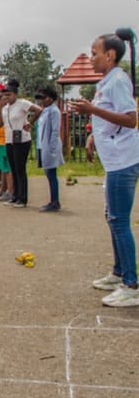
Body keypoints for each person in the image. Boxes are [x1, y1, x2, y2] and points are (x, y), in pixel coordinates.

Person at [69, 32, 139, 307]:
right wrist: (92, 136)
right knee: (112, 217)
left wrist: (92, 110)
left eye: (95, 53)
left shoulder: (118, 81)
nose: (91, 58)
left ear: (110, 55)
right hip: (114, 161)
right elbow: (109, 118)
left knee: (119, 220)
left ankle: (131, 285)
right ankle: (119, 273)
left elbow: (130, 119)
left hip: (123, 161)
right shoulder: (106, 82)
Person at [0, 78, 43, 208]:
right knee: (13, 169)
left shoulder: (22, 103)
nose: (7, 97)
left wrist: (30, 123)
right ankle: (15, 196)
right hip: (9, 140)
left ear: (15, 94)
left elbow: (38, 110)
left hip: (22, 140)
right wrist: (0, 107)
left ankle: (23, 198)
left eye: (9, 95)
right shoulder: (5, 108)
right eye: (5, 95)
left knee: (20, 169)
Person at [34, 87, 64, 212]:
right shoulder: (45, 110)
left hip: (50, 147)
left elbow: (55, 131)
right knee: (48, 174)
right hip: (42, 145)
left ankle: (55, 202)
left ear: (51, 98)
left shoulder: (54, 111)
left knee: (51, 175)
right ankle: (53, 200)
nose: (42, 101)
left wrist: (52, 149)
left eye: (44, 98)